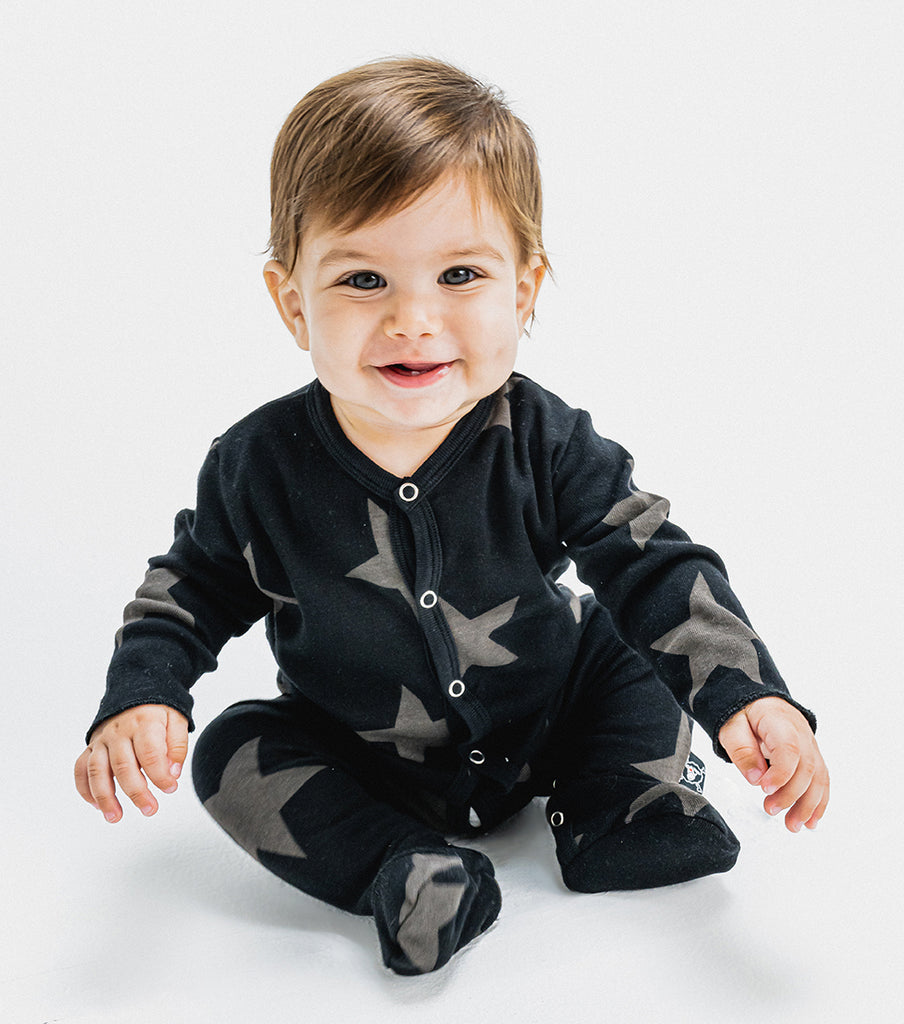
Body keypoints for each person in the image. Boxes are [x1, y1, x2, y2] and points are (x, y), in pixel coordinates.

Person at [75, 57, 829, 975]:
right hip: (363, 750)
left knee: (628, 648)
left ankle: (624, 803)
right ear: (292, 303)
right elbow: (187, 588)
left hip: (555, 706)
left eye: (460, 274)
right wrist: (143, 696)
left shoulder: (545, 439)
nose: (413, 319)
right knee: (233, 753)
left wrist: (748, 692)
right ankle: (405, 868)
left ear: (523, 291)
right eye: (363, 280)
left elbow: (654, 562)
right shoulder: (259, 464)